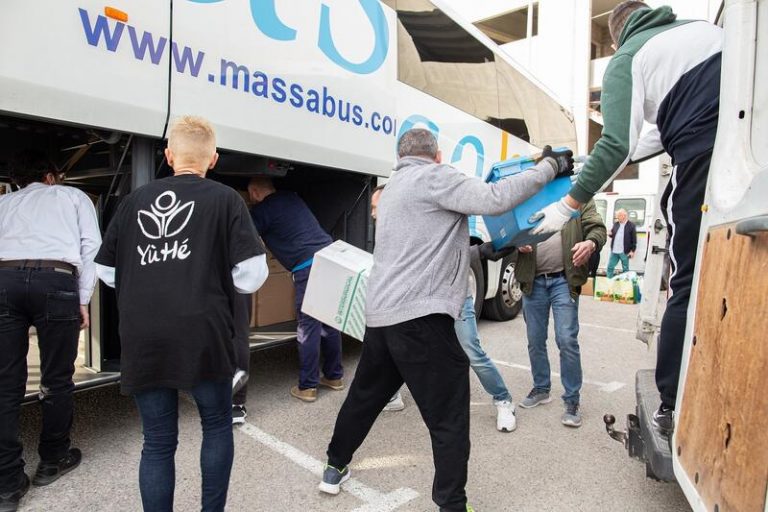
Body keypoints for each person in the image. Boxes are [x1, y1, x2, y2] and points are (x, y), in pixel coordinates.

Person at [318, 129, 573, 511]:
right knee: (450, 417)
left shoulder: (393, 190)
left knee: (364, 398)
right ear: (436, 155)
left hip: (383, 318)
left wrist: (493, 247)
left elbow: (436, 244)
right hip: (421, 320)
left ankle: (334, 467)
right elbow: (496, 197)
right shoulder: (434, 176)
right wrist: (550, 167)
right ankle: (453, 504)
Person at [530, 1, 722, 436]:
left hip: (701, 156)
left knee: (685, 281)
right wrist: (581, 164)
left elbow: (616, 143)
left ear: (616, 36)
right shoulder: (701, 31)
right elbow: (639, 142)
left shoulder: (628, 56)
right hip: (739, 147)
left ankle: (672, 405)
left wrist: (566, 206)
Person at [95, 116, 268, 511]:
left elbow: (106, 272)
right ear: (213, 159)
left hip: (144, 332)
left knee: (157, 440)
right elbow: (252, 275)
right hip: (204, 331)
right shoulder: (226, 199)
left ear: (170, 156)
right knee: (217, 424)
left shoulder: (132, 202)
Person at [0, 150, 101, 512]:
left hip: (4, 280)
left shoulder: (4, 202)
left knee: (4, 384)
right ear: (51, 175)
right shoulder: (72, 196)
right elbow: (92, 248)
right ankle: (52, 459)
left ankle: (7, 485)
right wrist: (83, 299)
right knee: (56, 379)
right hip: (56, 281)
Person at [248, 177, 344, 403]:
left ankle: (308, 386)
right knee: (329, 322)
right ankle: (334, 376)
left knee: (308, 327)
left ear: (253, 192)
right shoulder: (292, 198)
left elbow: (246, 235)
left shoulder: (263, 210)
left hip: (308, 268)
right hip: (330, 259)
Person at [515, 200, 606, 427]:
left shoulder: (579, 197)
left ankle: (572, 400)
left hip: (563, 282)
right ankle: (542, 388)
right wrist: (516, 243)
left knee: (566, 339)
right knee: (535, 339)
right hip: (533, 282)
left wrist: (590, 243)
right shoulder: (531, 196)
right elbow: (510, 231)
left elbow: (598, 228)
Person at [371, 184, 406, 413]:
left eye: (375, 207)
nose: (372, 213)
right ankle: (392, 395)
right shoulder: (385, 229)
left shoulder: (402, 230)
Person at [606, 208, 636, 278]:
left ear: (624, 216)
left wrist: (632, 251)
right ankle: (608, 282)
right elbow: (613, 234)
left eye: (618, 216)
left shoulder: (631, 226)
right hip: (614, 251)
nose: (617, 217)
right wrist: (610, 234)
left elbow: (634, 240)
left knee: (625, 269)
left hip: (624, 251)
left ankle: (625, 285)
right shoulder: (616, 224)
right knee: (610, 267)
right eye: (617, 216)